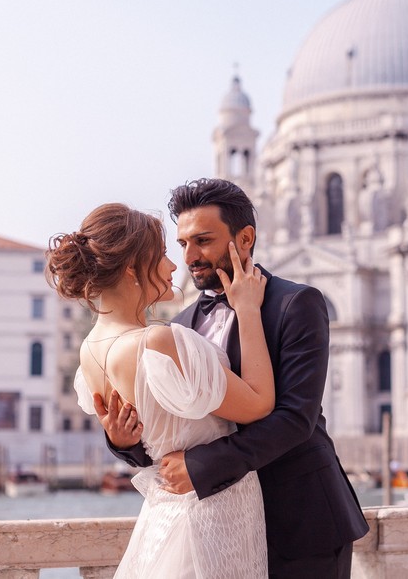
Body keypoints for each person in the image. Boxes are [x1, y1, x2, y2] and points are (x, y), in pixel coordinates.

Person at [99, 179, 369, 578]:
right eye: (183, 243)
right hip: (220, 525)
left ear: (245, 238)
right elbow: (173, 430)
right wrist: (124, 442)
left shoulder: (298, 304)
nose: (190, 256)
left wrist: (202, 465)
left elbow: (297, 417)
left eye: (203, 241)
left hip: (301, 519)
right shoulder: (179, 325)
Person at [47, 203, 275, 578]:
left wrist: (123, 442)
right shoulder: (159, 340)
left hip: (164, 514)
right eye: (164, 254)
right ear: (133, 269)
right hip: (212, 517)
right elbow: (259, 404)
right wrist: (248, 310)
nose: (175, 266)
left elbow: (140, 435)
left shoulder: (89, 352)